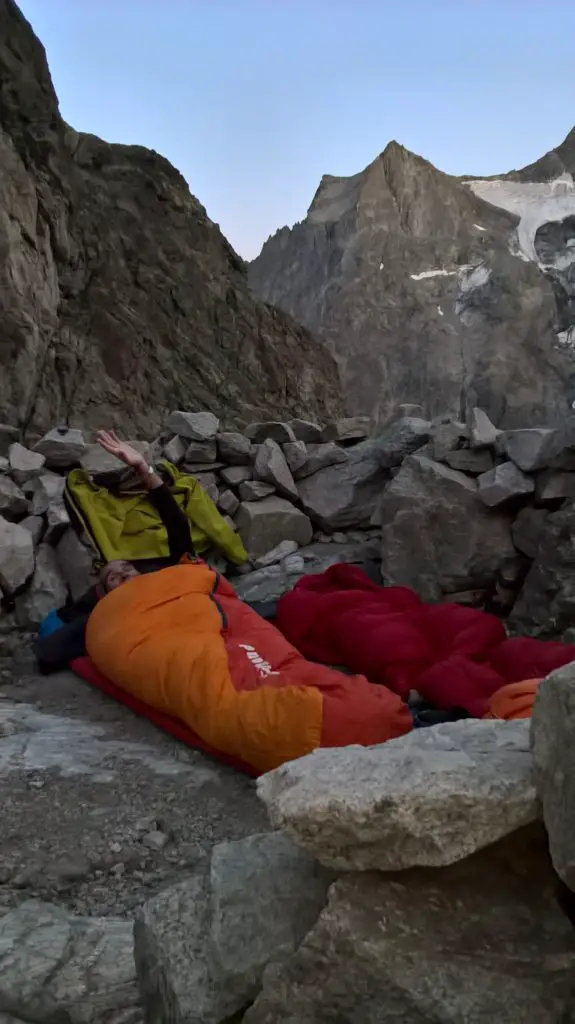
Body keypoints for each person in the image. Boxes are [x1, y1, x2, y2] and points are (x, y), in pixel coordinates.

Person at [94, 430, 196, 591]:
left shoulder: (173, 578)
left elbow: (178, 525)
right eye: (112, 578)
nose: (123, 574)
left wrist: (143, 469)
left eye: (127, 568)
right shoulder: (111, 614)